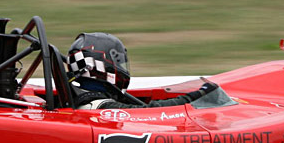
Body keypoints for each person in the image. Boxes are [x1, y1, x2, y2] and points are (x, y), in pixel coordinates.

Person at [65, 32, 218, 109]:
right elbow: (150, 112)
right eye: (118, 62)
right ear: (98, 65)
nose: (121, 68)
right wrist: (197, 96)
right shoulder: (100, 106)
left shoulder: (81, 96)